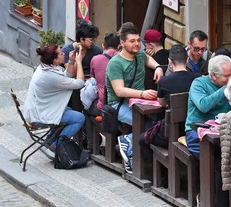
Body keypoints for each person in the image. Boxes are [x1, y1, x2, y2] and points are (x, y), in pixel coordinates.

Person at [107, 23, 163, 173]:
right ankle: (129, 147)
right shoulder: (115, 64)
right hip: (119, 105)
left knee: (158, 121)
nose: (137, 44)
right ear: (122, 42)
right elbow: (119, 91)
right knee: (147, 124)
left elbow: (148, 60)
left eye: (138, 40)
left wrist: (158, 67)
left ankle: (129, 141)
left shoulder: (139, 54)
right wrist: (142, 94)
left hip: (140, 103)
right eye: (132, 41)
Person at [22, 45, 86, 159]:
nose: (64, 54)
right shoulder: (50, 75)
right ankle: (55, 146)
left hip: (40, 108)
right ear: (55, 60)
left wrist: (71, 62)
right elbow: (79, 83)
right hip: (40, 114)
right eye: (61, 53)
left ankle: (48, 142)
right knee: (79, 118)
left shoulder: (44, 67)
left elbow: (66, 77)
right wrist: (79, 62)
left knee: (69, 111)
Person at [137, 44, 200, 149]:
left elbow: (161, 103)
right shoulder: (197, 79)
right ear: (187, 60)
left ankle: (154, 164)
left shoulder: (164, 81)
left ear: (170, 61)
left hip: (170, 132)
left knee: (142, 139)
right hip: (193, 129)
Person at [185, 55, 231, 158]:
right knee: (213, 156)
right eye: (226, 76)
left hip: (223, 131)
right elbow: (203, 106)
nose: (230, 79)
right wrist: (224, 89)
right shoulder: (198, 84)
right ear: (214, 75)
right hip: (196, 131)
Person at [82, 32, 120, 151]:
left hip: (104, 107)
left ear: (103, 46)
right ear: (119, 46)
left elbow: (93, 79)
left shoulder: (96, 59)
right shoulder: (124, 59)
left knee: (86, 111)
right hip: (123, 104)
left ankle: (91, 145)